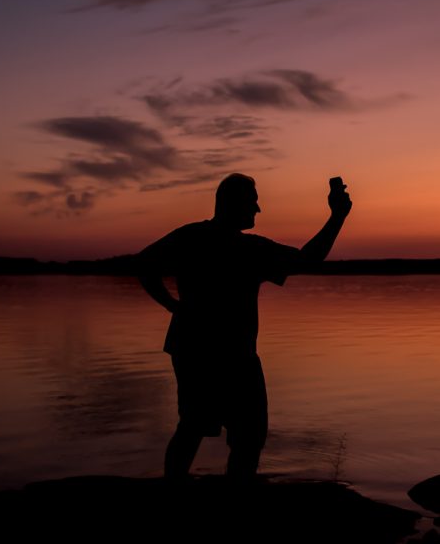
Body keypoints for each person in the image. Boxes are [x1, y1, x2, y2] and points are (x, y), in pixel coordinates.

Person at [137, 173, 352, 480]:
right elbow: (309, 259)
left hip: (193, 346)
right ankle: (230, 495)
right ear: (233, 204)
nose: (258, 209)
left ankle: (180, 490)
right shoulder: (248, 249)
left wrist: (173, 306)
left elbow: (144, 265)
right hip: (228, 354)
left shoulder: (192, 237)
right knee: (241, 432)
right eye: (253, 201)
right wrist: (337, 217)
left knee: (197, 426)